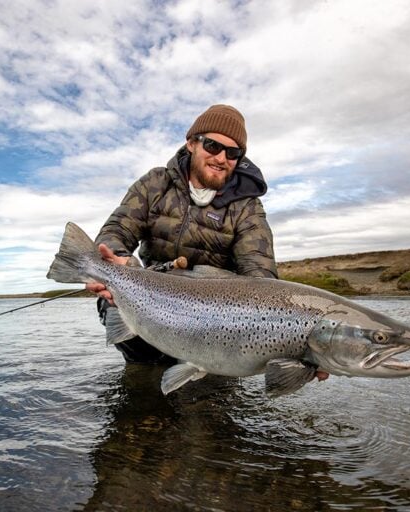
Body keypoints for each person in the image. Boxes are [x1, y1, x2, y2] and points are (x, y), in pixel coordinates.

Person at [87, 104, 278, 364]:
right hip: (148, 299)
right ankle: (144, 377)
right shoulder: (155, 184)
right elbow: (116, 231)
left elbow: (261, 278)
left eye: (232, 153)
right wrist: (118, 264)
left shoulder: (248, 206)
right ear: (191, 143)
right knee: (117, 308)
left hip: (216, 319)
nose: (221, 158)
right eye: (212, 146)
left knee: (205, 393)